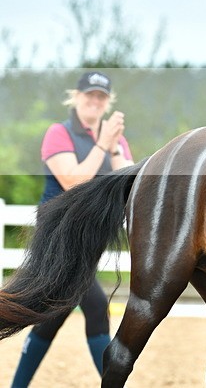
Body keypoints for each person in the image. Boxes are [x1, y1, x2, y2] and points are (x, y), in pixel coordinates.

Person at [10, 71, 134, 387]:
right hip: (58, 239)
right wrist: (102, 144)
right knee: (96, 307)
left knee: (51, 316)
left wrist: (114, 147)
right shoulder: (59, 133)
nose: (95, 101)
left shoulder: (115, 140)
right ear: (76, 97)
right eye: (89, 95)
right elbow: (73, 182)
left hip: (90, 241)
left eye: (101, 97)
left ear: (107, 102)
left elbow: (128, 186)